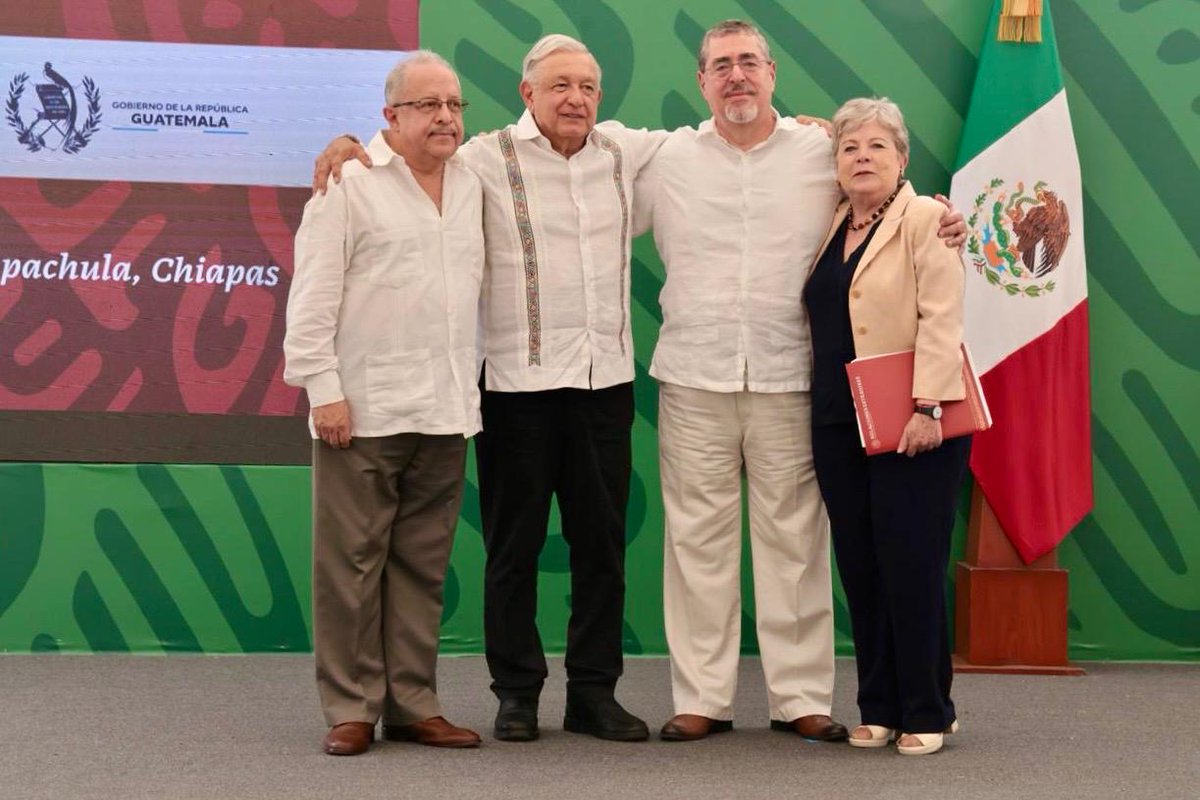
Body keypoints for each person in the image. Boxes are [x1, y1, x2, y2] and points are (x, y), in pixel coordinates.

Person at [314, 34, 665, 743]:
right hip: (514, 387)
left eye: (588, 86)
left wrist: (804, 129)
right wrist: (349, 142)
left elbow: (719, 137)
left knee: (602, 547)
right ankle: (517, 695)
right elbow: (406, 150)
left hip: (604, 387)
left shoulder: (628, 153)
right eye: (559, 85)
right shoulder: (477, 158)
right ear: (526, 94)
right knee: (514, 549)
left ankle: (595, 694)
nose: (575, 98)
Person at [633, 20, 965, 743]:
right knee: (697, 543)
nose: (736, 77)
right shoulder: (664, 158)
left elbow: (890, 192)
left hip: (794, 380)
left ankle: (801, 698)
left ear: (773, 72)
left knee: (796, 542)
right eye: (721, 65)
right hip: (694, 378)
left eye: (749, 62)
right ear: (701, 81)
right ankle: (702, 698)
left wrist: (942, 215)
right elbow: (578, 181)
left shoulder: (822, 150)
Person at [283, 51, 485, 756]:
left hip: (447, 408)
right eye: (428, 105)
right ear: (389, 117)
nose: (445, 118)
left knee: (422, 570)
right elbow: (310, 300)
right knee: (350, 568)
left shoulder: (474, 179)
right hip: (361, 411)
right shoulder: (349, 184)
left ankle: (413, 705)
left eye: (455, 105)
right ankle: (350, 707)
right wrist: (323, 392)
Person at [803, 97, 970, 756]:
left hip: (913, 421)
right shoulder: (832, 217)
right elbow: (794, 127)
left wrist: (929, 406)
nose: (862, 157)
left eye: (877, 146)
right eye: (849, 148)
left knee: (912, 565)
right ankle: (877, 704)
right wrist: (821, 124)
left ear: (903, 159)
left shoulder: (928, 219)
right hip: (839, 419)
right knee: (862, 566)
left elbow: (942, 317)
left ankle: (927, 708)